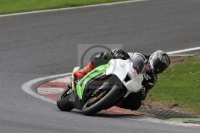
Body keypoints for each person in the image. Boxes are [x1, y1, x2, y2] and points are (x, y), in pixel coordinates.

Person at [73, 48, 170, 110]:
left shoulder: (152, 79)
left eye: (161, 67)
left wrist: (142, 91)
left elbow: (144, 92)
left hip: (126, 86)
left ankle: (109, 101)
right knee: (105, 56)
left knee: (136, 104)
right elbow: (126, 54)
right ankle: (83, 72)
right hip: (119, 70)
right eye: (157, 63)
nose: (158, 67)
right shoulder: (141, 57)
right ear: (153, 57)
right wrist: (118, 53)